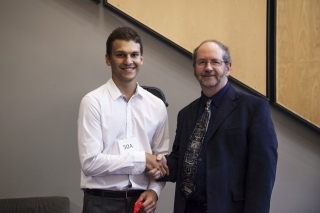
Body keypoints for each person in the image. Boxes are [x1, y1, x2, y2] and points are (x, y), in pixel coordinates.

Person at [148, 40, 278, 213]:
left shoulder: (253, 109)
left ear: (228, 67)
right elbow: (180, 160)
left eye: (215, 62)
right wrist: (161, 165)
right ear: (194, 68)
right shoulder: (186, 114)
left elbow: (262, 174)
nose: (208, 68)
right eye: (202, 62)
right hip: (189, 208)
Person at [77, 26, 169, 213]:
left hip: (140, 203)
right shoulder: (92, 102)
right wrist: (141, 159)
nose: (129, 61)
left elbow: (161, 160)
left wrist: (154, 191)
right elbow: (90, 163)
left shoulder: (157, 105)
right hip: (100, 203)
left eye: (134, 55)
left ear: (141, 59)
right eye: (121, 55)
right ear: (108, 59)